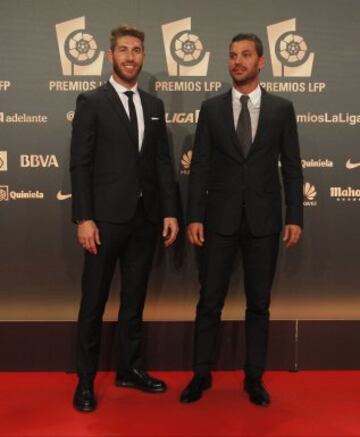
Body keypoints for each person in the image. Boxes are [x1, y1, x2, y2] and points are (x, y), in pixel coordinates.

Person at [180, 33, 303, 406]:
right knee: (209, 301)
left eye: (246, 55)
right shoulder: (212, 108)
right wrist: (195, 216)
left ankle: (254, 377)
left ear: (261, 62)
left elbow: (293, 168)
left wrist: (294, 215)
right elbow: (199, 165)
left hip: (264, 222)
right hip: (218, 220)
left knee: (259, 304)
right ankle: (201, 374)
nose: (238, 62)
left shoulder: (282, 109)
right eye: (232, 55)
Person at [70, 25, 179, 412]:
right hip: (104, 222)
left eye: (136, 50)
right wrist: (84, 218)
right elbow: (80, 165)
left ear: (144, 56)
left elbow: (162, 163)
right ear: (109, 55)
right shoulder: (92, 101)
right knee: (93, 302)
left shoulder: (153, 105)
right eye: (123, 50)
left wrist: (169, 210)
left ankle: (129, 370)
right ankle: (84, 381)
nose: (130, 57)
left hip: (144, 220)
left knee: (134, 302)